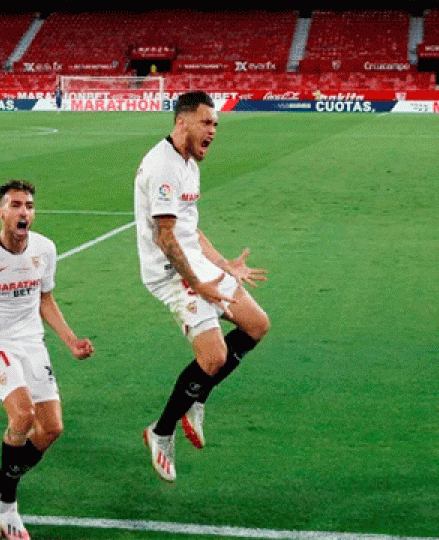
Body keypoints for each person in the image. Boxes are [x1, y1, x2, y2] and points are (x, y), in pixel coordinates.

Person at [134, 91, 270, 483]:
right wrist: (199, 284)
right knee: (213, 359)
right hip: (171, 272)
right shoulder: (163, 167)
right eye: (207, 122)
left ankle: (198, 398)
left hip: (195, 263)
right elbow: (166, 238)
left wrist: (224, 264)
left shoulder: (189, 162)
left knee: (256, 325)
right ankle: (160, 432)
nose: (213, 130)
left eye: (215, 124)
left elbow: (189, 228)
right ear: (182, 122)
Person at [0, 180, 94, 540]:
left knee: (51, 429)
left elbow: (45, 299)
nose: (24, 212)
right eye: (16, 205)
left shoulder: (45, 249)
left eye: (29, 205)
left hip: (32, 342)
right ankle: (9, 506)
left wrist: (71, 340)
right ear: (1, 212)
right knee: (22, 415)